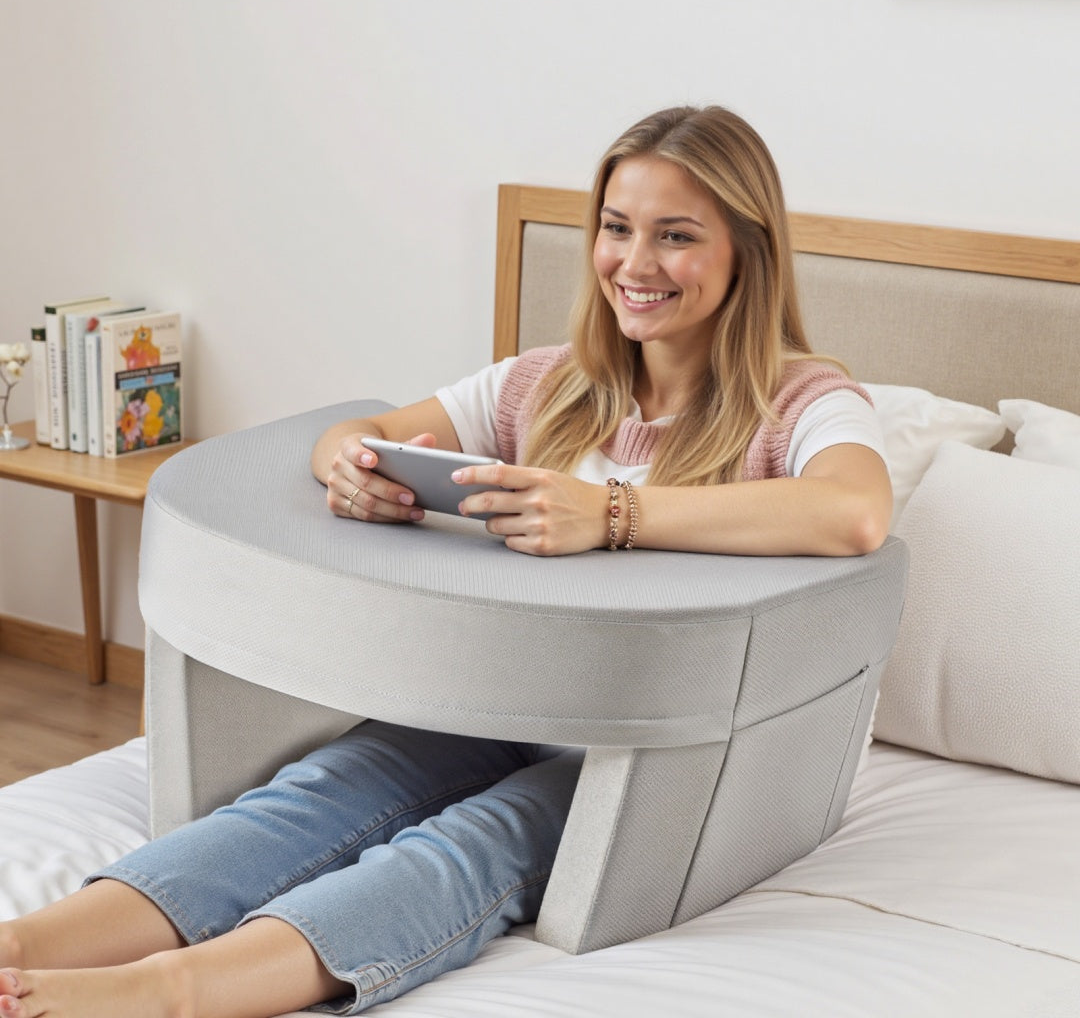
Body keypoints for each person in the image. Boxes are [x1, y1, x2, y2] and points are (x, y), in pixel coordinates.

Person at [0, 105, 892, 1018]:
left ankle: (162, 997)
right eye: (617, 230)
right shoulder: (547, 384)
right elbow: (364, 431)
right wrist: (351, 468)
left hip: (670, 740)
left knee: (480, 838)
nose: (635, 264)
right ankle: (19, 951)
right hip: (515, 694)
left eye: (676, 237)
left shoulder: (800, 401)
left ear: (748, 248)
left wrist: (610, 513)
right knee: (325, 787)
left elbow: (856, 511)